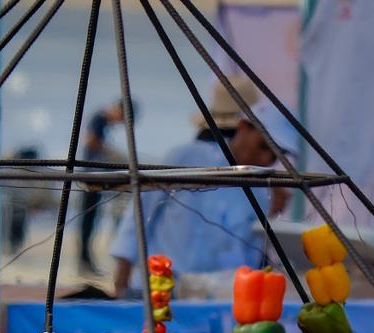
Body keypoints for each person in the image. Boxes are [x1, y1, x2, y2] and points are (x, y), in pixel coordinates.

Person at [109, 89, 296, 298]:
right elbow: (137, 217)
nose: (266, 159)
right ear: (243, 127)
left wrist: (272, 217)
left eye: (276, 155)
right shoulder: (186, 158)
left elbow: (251, 256)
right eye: (263, 146)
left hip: (218, 298)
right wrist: (121, 286)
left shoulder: (264, 190)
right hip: (161, 289)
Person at [77, 99, 125, 275]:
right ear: (118, 110)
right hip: (91, 176)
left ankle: (86, 260)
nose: (119, 122)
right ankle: (84, 260)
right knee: (88, 221)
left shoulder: (103, 122)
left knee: (91, 221)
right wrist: (109, 150)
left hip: (96, 176)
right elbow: (90, 141)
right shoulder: (99, 118)